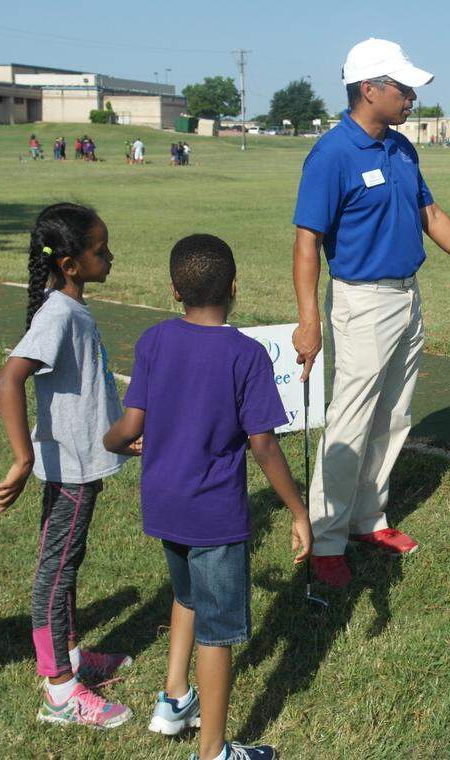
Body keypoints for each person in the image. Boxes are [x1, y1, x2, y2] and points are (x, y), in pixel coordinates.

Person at [292, 38, 450, 587]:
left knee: (393, 415)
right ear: (369, 90)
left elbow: (430, 214)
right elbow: (306, 243)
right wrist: (308, 320)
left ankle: (369, 518)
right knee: (351, 420)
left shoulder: (400, 148)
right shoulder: (332, 153)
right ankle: (326, 538)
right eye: (403, 87)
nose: (413, 96)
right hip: (360, 302)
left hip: (406, 297)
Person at [104, 234, 311, 760]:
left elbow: (130, 427)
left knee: (187, 596)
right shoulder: (247, 354)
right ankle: (214, 751)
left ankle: (174, 699)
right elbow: (263, 446)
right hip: (214, 514)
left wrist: (110, 443)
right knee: (216, 634)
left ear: (174, 291)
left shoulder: (152, 341)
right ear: (235, 287)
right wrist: (298, 510)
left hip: (163, 503)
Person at [0, 203, 135, 727]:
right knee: (56, 573)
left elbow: (85, 393)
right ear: (70, 264)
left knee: (68, 560)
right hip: (67, 469)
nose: (110, 256)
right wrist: (23, 458)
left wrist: (120, 439)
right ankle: (60, 690)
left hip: (84, 461)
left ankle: (68, 656)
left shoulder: (72, 308)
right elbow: (9, 379)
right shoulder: (57, 314)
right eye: (101, 250)